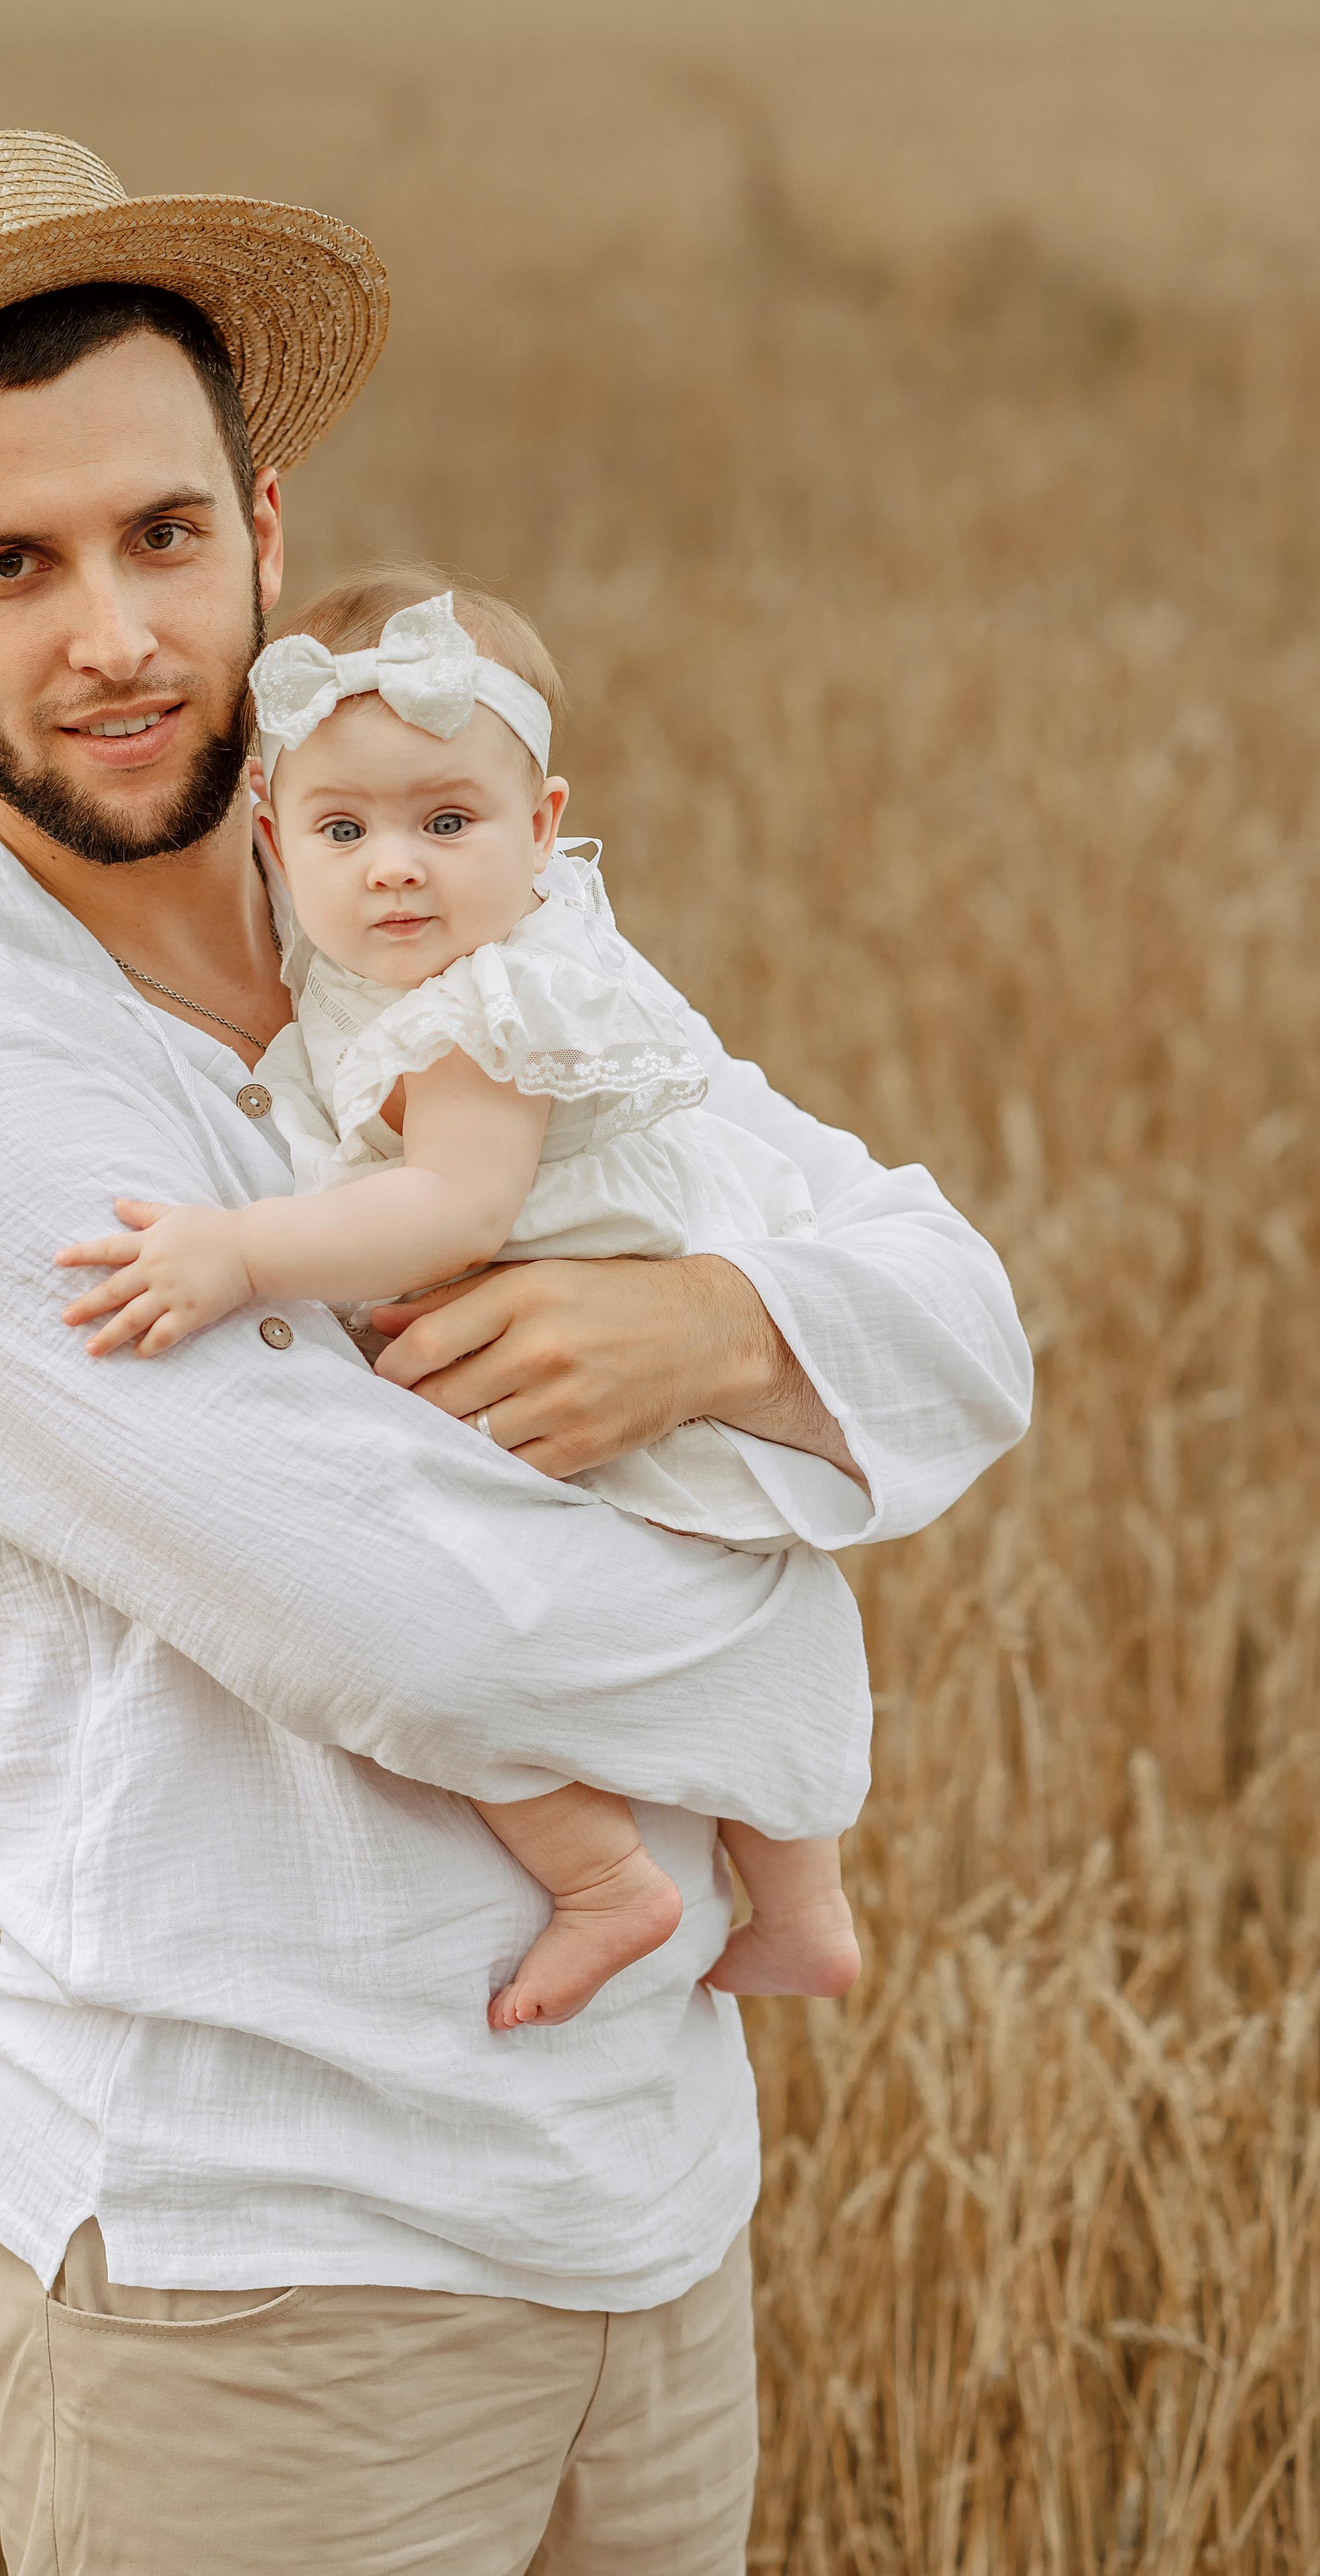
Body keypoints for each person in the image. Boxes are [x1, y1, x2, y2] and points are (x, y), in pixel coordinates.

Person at [0, 129, 1033, 2576]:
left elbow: (955, 1318)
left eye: (161, 534)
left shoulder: (416, 893)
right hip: (267, 2280)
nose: (116, 635)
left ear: (267, 530)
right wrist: (812, 1635)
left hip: (650, 2213)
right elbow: (432, 1633)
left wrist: (709, 1327)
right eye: (15, 565)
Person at [56, 572, 865, 2031]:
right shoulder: (389, 974)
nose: (394, 871)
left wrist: (242, 1252)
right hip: (567, 1346)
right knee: (701, 1616)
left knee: (455, 1618)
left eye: (446, 824)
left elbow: (454, 1209)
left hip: (573, 1353)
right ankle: (803, 1909)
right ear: (271, 837)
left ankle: (606, 1882)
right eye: (343, 832)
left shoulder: (483, 1010)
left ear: (541, 828)